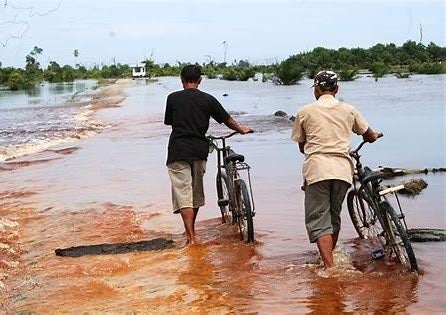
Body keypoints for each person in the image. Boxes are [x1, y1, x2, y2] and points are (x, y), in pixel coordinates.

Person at [291, 70, 381, 269]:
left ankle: (329, 267)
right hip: (342, 171)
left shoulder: (305, 111)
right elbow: (369, 134)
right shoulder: (349, 109)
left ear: (316, 89)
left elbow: (301, 146)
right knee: (334, 215)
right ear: (336, 89)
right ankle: (329, 258)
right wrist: (374, 136)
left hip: (317, 170)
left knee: (318, 218)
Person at [164, 64, 252, 245]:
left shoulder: (172, 98)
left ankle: (191, 237)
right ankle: (192, 232)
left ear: (182, 81)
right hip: (199, 150)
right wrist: (241, 129)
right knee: (195, 193)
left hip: (178, 150)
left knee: (183, 193)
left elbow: (170, 123)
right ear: (200, 81)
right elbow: (227, 119)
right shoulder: (208, 99)